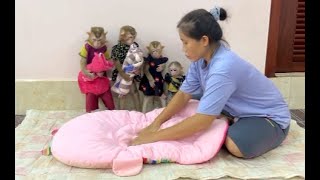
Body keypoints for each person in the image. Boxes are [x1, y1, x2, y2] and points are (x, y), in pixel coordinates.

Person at [131, 6, 291, 159]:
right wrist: (156, 123)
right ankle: (226, 117)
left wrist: (154, 137)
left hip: (267, 116)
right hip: (234, 107)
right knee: (191, 98)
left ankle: (253, 128)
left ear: (204, 40)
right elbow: (183, 94)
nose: (183, 48)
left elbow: (202, 121)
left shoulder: (223, 67)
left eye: (185, 42)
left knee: (235, 145)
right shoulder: (200, 60)